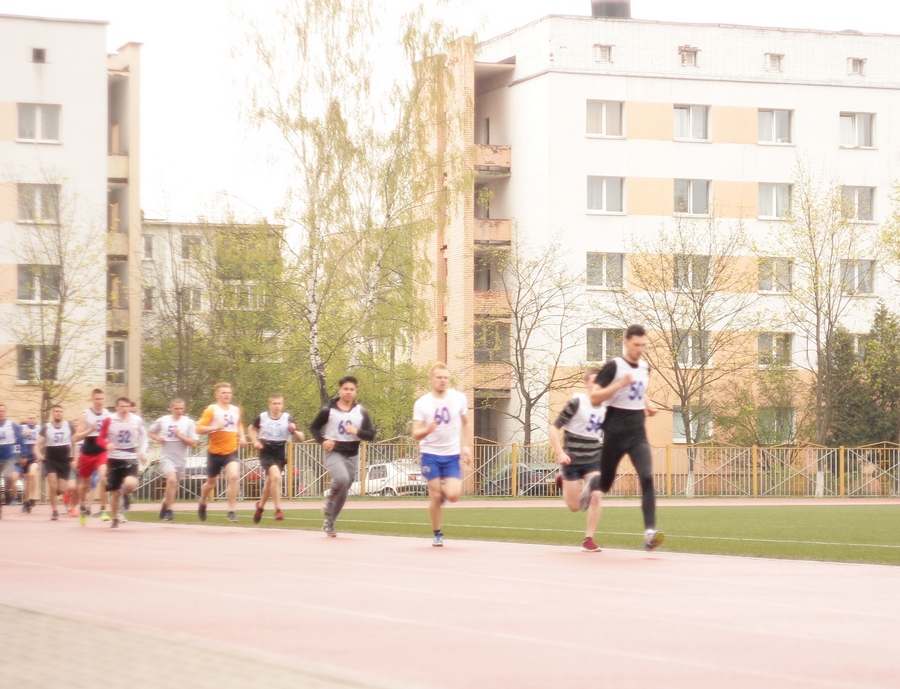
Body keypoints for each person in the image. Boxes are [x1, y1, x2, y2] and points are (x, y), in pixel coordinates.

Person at [582, 324, 664, 550]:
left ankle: (649, 533)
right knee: (605, 484)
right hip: (615, 432)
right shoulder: (614, 367)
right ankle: (592, 484)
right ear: (625, 342)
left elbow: (638, 389)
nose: (640, 349)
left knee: (647, 477)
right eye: (636, 345)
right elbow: (595, 397)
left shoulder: (645, 367)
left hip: (637, 433)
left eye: (644, 345)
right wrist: (619, 384)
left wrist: (648, 403)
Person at [411, 363, 472, 547]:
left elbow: (466, 423)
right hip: (430, 454)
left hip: (451, 454)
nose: (443, 380)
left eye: (445, 377)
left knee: (453, 496)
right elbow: (415, 434)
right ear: (431, 379)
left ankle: (443, 496)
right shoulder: (422, 403)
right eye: (439, 377)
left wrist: (466, 446)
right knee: (436, 495)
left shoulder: (458, 398)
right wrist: (427, 430)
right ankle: (437, 532)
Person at [310, 377, 376, 537]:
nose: (348, 392)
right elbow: (314, 427)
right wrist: (322, 441)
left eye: (351, 389)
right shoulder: (329, 410)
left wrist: (357, 431)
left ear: (356, 392)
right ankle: (329, 500)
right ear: (339, 390)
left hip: (352, 453)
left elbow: (371, 434)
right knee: (342, 478)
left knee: (345, 489)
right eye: (345, 389)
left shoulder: (360, 411)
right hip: (334, 451)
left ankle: (330, 522)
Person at [549, 367, 605, 552]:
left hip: (593, 458)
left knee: (596, 494)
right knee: (575, 507)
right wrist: (560, 453)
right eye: (594, 381)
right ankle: (563, 480)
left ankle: (589, 539)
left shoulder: (607, 406)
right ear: (586, 383)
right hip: (571, 460)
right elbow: (554, 428)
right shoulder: (577, 402)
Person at [249, 394, 305, 524]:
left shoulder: (287, 418)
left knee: (270, 482)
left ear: (282, 405)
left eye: (279, 403)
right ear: (269, 405)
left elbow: (301, 438)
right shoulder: (263, 417)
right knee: (276, 477)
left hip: (280, 451)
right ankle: (278, 509)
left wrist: (294, 430)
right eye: (274, 403)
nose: (277, 406)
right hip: (266, 450)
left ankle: (260, 507)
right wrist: (255, 441)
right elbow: (251, 428)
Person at [196, 383, 246, 523]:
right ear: (217, 395)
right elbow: (198, 429)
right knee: (210, 484)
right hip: (215, 452)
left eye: (228, 392)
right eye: (223, 393)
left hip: (231, 451)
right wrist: (214, 427)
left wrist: (242, 437)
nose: (226, 395)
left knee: (234, 476)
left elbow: (239, 425)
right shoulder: (212, 410)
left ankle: (231, 511)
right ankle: (202, 501)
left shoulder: (235, 410)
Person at [99, 397, 146, 530]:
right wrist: (106, 444)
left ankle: (126, 494)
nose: (125, 409)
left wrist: (143, 452)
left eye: (127, 406)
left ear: (130, 407)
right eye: (122, 406)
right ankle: (115, 519)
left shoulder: (136, 420)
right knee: (115, 493)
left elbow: (143, 437)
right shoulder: (109, 420)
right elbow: (100, 438)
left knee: (131, 483)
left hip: (130, 456)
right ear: (117, 407)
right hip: (114, 458)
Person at [148, 399, 198, 521]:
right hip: (166, 456)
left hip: (180, 458)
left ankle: (166, 503)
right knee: (171, 479)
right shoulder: (163, 420)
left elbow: (193, 443)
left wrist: (179, 435)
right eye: (176, 408)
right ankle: (169, 511)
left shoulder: (188, 422)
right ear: (171, 408)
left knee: (174, 484)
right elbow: (151, 432)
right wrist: (158, 438)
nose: (179, 411)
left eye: (181, 408)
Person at [73, 389, 111, 522]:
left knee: (103, 478)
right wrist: (90, 430)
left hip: (101, 451)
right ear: (92, 400)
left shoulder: (107, 414)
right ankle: (83, 506)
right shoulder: (86, 415)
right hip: (87, 452)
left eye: (102, 399)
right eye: (97, 399)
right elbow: (76, 437)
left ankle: (103, 510)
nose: (100, 401)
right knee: (85, 484)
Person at [34, 405, 77, 520]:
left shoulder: (69, 426)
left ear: (63, 413)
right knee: (52, 485)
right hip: (50, 460)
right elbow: (37, 445)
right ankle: (55, 511)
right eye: (56, 411)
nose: (58, 413)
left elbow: (74, 444)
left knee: (62, 489)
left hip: (64, 460)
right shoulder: (46, 427)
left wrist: (75, 459)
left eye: (60, 411)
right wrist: (38, 455)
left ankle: (55, 493)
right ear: (52, 413)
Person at [0, 404, 26, 519]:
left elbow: (21, 439)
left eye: (2, 411)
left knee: (8, 476)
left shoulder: (12, 425)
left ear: (5, 412)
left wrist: (24, 454)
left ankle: (7, 491)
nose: (1, 413)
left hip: (8, 458)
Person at [19, 412, 40, 513]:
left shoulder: (39, 428)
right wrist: (23, 435)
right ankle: (26, 501)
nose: (32, 420)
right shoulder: (22, 428)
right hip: (25, 456)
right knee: (27, 481)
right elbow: (16, 439)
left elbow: (44, 440)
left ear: (36, 419)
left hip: (34, 456)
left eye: (33, 418)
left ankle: (32, 497)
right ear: (27, 419)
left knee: (33, 474)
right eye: (30, 418)